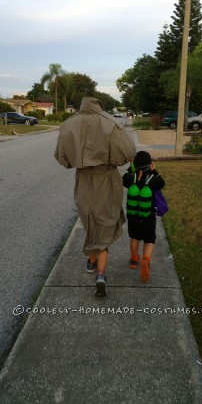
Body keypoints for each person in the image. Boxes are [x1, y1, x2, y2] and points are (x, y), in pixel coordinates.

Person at [54, 97, 136, 297]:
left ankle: (91, 262)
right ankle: (101, 273)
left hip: (83, 181)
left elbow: (62, 158)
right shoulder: (111, 123)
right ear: (99, 105)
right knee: (105, 224)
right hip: (106, 179)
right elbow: (127, 153)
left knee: (90, 222)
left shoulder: (68, 125)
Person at [122, 151, 165, 282]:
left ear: (135, 164)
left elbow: (123, 179)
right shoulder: (152, 179)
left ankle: (134, 259)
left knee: (134, 237)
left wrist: (131, 167)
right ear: (150, 164)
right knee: (149, 239)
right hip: (148, 216)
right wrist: (154, 170)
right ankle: (146, 260)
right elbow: (162, 183)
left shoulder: (131, 178)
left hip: (133, 216)